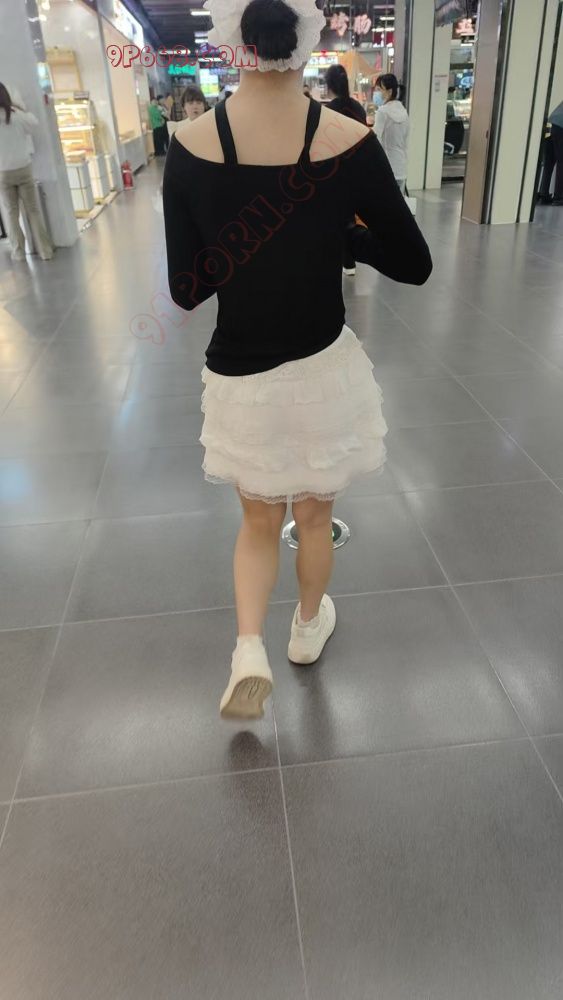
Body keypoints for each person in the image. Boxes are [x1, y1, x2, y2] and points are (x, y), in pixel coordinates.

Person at [163, 0, 432, 720]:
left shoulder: (189, 142)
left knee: (257, 524)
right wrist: (341, 236)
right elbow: (413, 263)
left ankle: (248, 647)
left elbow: (186, 288)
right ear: (305, 44)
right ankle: (307, 628)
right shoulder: (348, 137)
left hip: (239, 374)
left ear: (236, 45)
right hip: (321, 370)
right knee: (313, 520)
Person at [0, 82, 53, 262]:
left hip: (3, 172)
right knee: (33, 211)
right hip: (23, 168)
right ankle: (45, 251)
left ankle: (18, 253)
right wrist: (18, 106)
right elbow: (34, 122)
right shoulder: (17, 116)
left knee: (11, 213)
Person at [325, 64, 368, 276]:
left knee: (332, 220)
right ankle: (350, 262)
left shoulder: (326, 111)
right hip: (357, 171)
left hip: (331, 173)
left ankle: (336, 262)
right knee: (350, 217)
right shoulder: (358, 108)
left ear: (328, 85)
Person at [374, 73, 409, 194]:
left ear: (389, 92)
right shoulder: (403, 111)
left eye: (379, 89)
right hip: (401, 166)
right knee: (399, 201)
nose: (377, 93)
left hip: (387, 167)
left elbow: (376, 141)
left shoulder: (382, 112)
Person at [539, 101, 563, 206]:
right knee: (561, 162)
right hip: (561, 126)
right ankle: (559, 197)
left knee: (549, 162)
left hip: (552, 124)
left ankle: (543, 194)